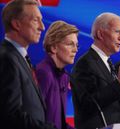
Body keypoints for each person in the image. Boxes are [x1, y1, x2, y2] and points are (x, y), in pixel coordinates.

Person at [70, 12, 120, 129]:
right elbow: (88, 104)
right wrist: (118, 83)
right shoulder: (85, 63)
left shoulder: (108, 63)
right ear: (100, 34)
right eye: (117, 32)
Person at [0, 0, 56, 129]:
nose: (42, 27)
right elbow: (11, 115)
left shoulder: (19, 57)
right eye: (36, 20)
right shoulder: (6, 58)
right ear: (17, 24)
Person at [35, 21, 79, 129]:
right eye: (70, 44)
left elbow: (61, 124)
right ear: (54, 47)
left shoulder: (64, 76)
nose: (75, 50)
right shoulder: (44, 73)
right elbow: (35, 120)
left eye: (76, 45)